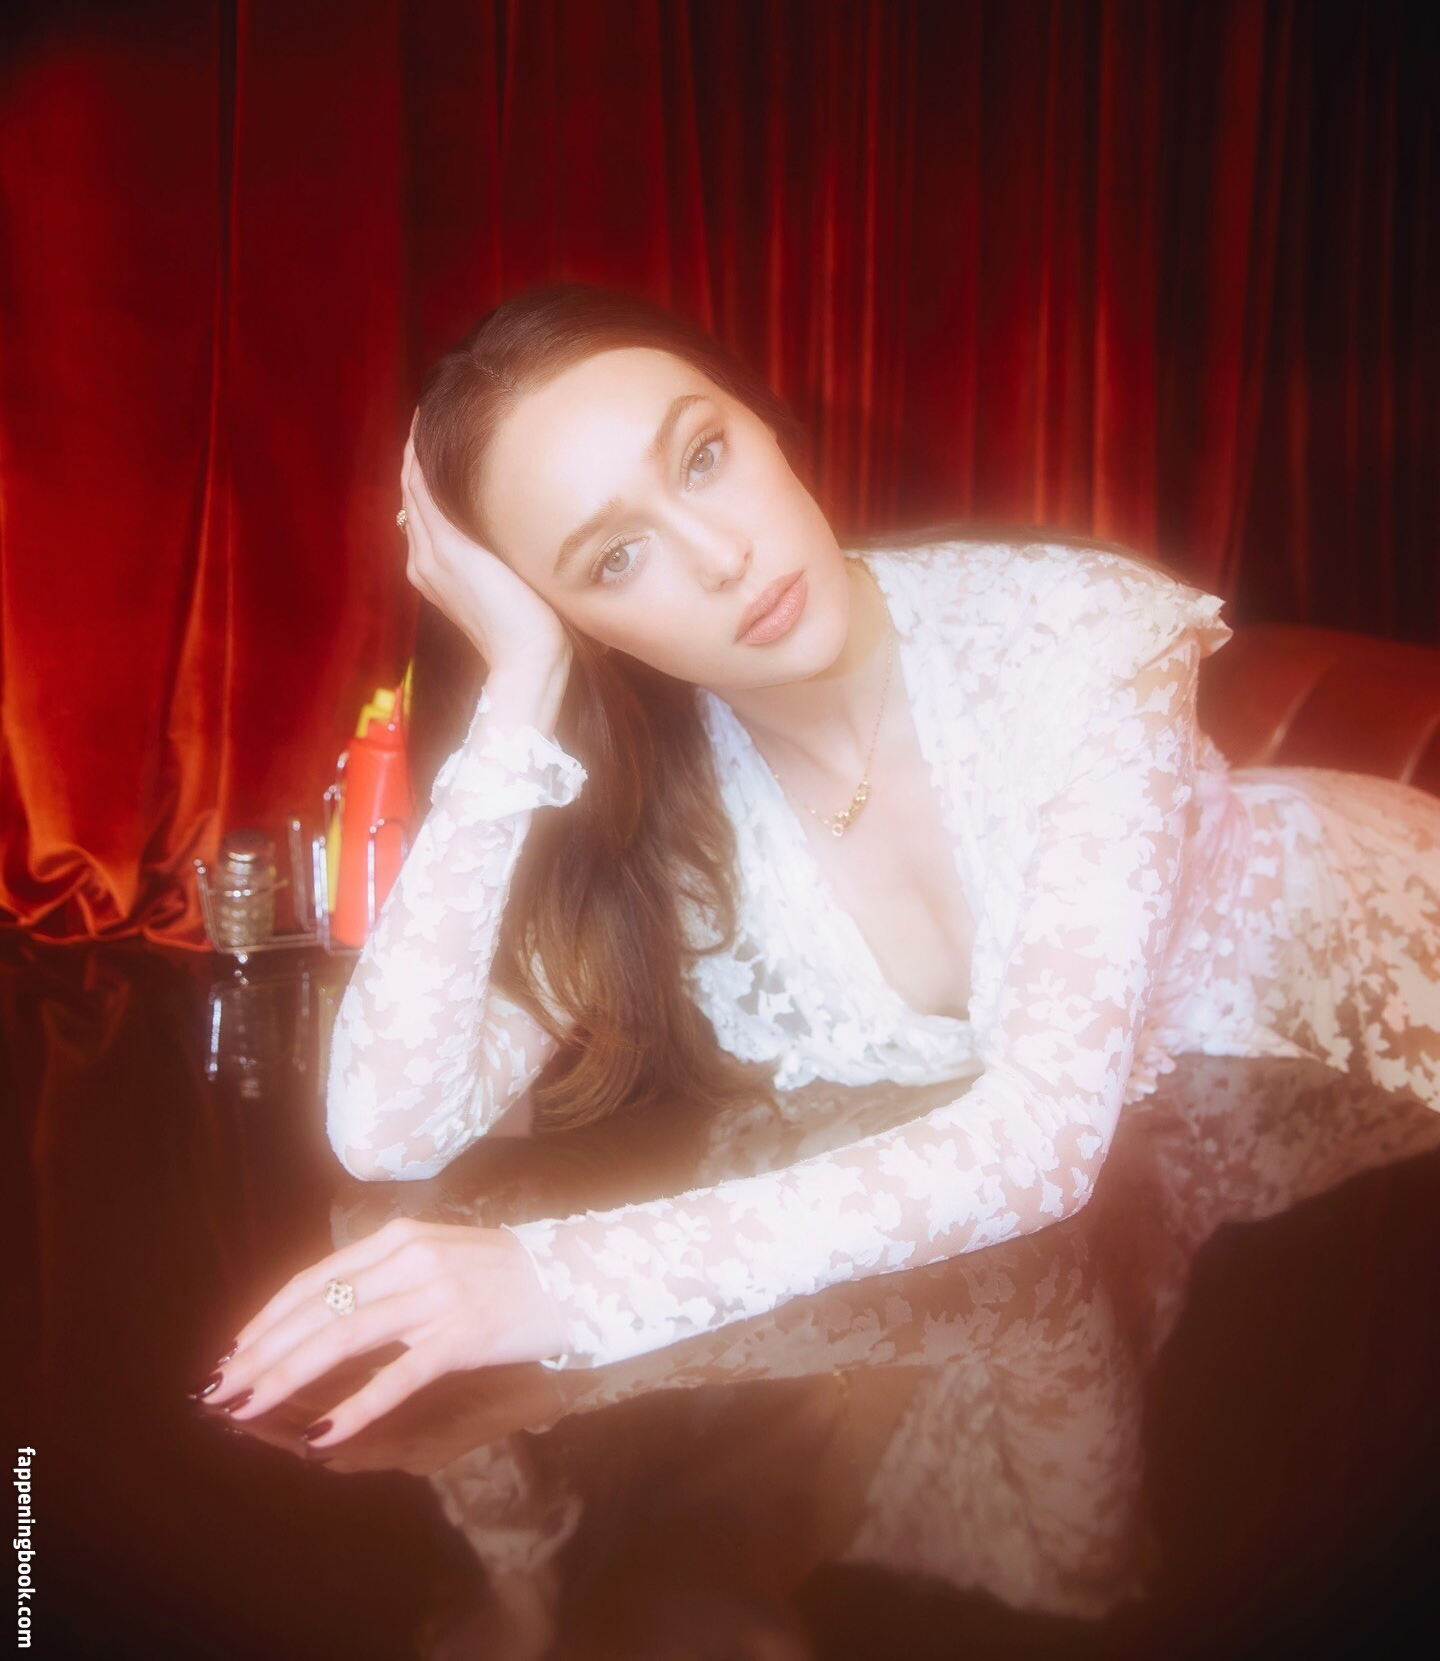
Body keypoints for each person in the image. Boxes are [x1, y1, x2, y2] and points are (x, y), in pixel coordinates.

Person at [197, 282, 1440, 1451]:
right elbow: (389, 1129)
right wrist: (520, 682)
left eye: (703, 455)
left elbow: (1040, 1142)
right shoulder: (658, 805)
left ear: (766, 424)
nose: (719, 554)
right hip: (1246, 1252)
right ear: (578, 624)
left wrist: (557, 1280)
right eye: (613, 560)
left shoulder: (1075, 637)